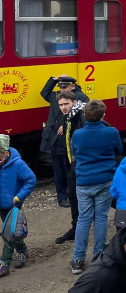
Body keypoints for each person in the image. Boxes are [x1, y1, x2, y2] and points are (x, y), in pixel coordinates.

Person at [70, 99, 123, 275]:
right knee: (101, 217)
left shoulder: (77, 134)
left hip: (84, 181)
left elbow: (75, 153)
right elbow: (118, 151)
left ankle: (77, 259)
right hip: (105, 179)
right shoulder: (111, 132)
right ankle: (98, 255)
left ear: (85, 115)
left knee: (84, 218)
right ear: (103, 115)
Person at [40, 74, 88, 207]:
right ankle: (62, 198)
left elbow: (83, 113)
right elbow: (44, 93)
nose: (62, 89)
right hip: (55, 140)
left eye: (65, 86)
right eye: (60, 87)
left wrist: (66, 123)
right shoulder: (56, 97)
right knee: (59, 171)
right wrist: (53, 80)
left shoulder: (81, 97)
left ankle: (72, 195)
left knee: (70, 170)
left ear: (73, 86)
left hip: (69, 140)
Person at [53, 91, 88, 245]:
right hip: (72, 165)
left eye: (66, 104)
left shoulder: (80, 117)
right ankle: (75, 228)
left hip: (81, 166)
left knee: (103, 197)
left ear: (74, 102)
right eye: (61, 105)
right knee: (73, 196)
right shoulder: (68, 117)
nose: (63, 107)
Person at [0, 134, 36, 278]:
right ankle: (22, 251)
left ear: (4, 151)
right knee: (12, 231)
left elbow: (31, 180)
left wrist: (18, 197)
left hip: (12, 205)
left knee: (8, 233)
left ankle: (4, 262)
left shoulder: (18, 164)